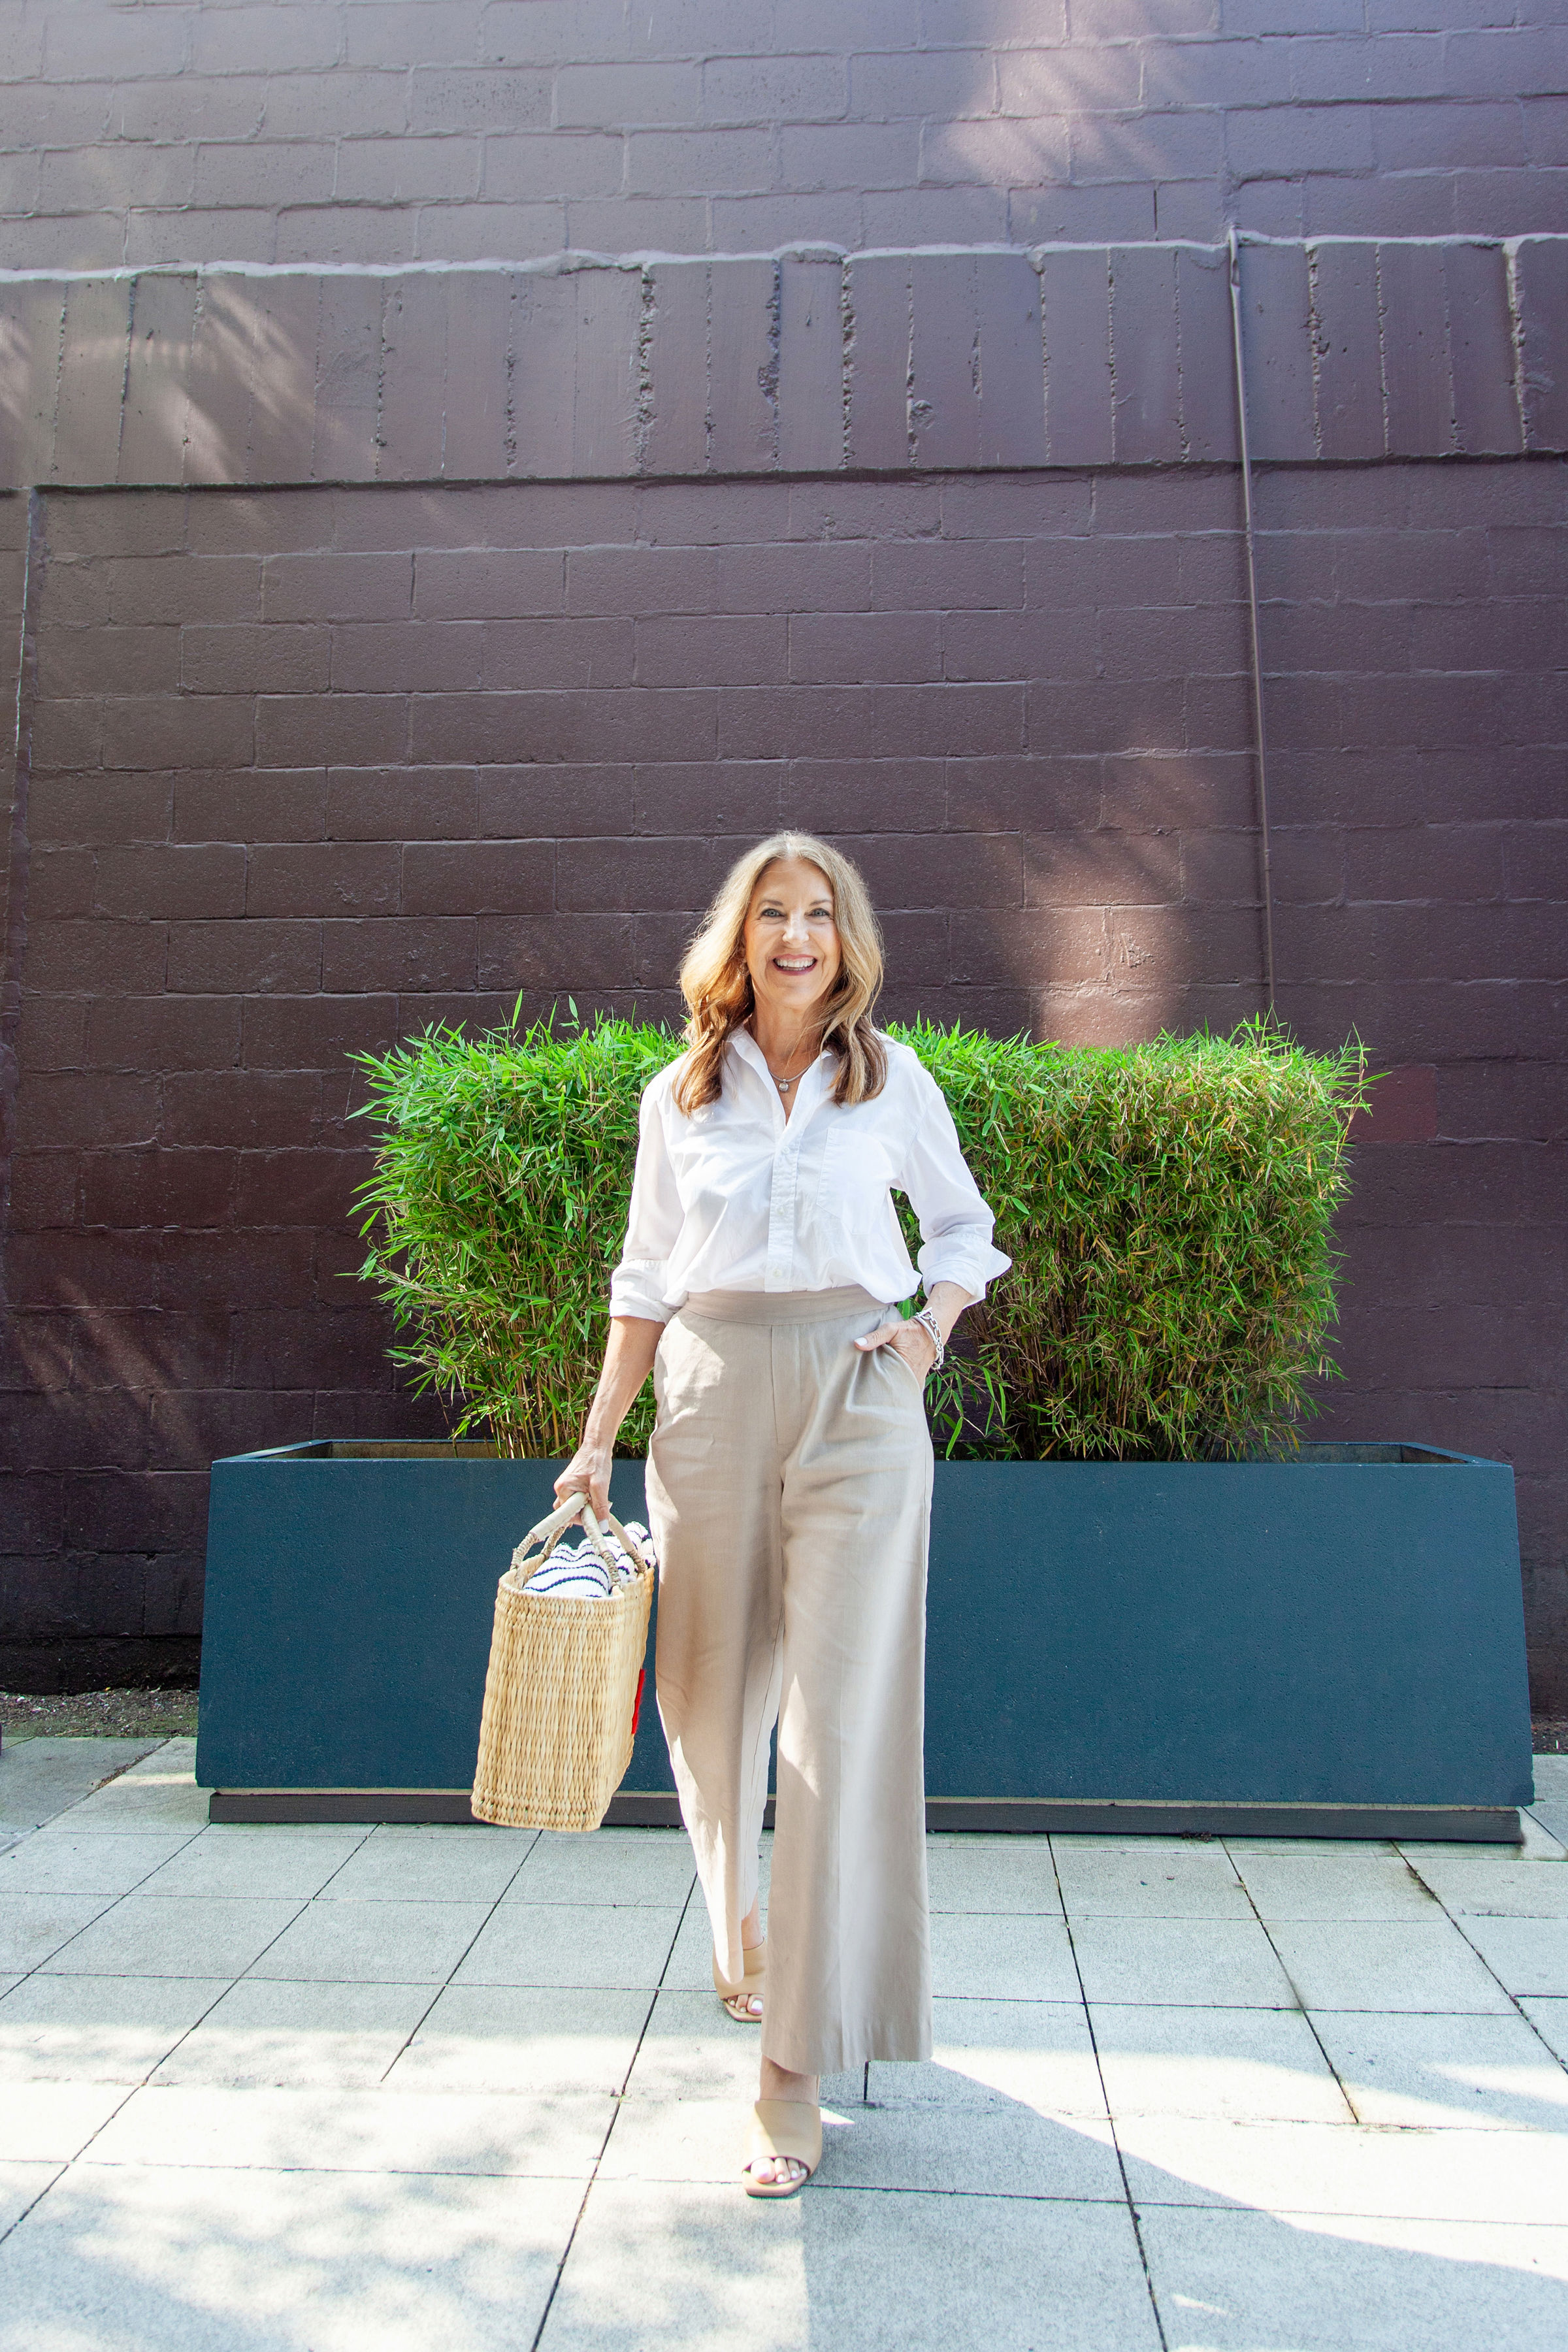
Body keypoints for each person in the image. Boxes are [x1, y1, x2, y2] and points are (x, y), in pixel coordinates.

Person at [554, 832, 1009, 2198]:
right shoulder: (680, 1092)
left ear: (846, 938)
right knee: (706, 1707)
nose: (797, 936)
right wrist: (595, 1441)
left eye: (818, 914)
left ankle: (792, 2070)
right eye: (772, 915)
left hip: (855, 1395)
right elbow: (644, 1275)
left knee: (833, 1723)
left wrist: (925, 1333)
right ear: (737, 941)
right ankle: (743, 1927)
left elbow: (964, 1230)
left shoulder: (892, 1078)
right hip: (708, 1391)